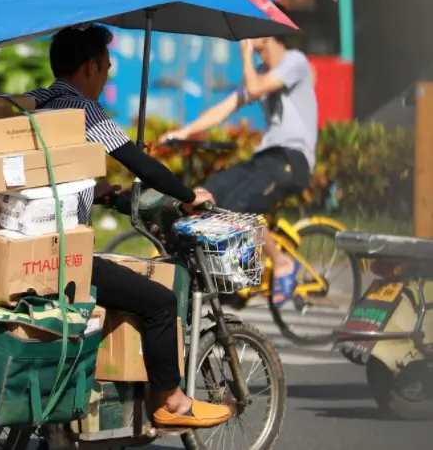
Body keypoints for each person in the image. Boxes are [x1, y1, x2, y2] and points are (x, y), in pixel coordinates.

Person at [26, 25, 231, 429]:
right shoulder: (80, 107)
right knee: (158, 302)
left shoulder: (35, 101)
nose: (105, 77)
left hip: (24, 242)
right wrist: (188, 195)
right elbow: (137, 161)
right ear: (89, 66)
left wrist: (98, 192)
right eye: (105, 68)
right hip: (64, 253)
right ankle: (171, 401)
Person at [160, 32, 317, 307]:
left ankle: (281, 264)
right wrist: (181, 133)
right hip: (266, 157)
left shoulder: (295, 61)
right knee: (205, 197)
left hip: (292, 159)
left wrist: (245, 53)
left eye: (254, 29)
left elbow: (255, 90)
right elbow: (224, 108)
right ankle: (228, 278)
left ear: (270, 34)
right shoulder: (258, 72)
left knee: (241, 206)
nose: (247, 34)